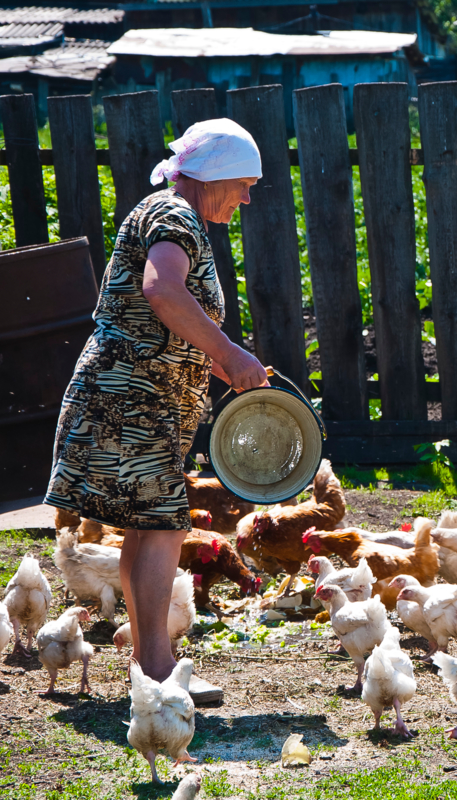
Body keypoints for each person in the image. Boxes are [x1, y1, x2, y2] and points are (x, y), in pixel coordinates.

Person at [45, 118, 269, 703]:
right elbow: (161, 291)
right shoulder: (175, 217)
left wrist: (235, 371)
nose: (246, 198)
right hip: (130, 400)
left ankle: (149, 663)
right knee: (163, 524)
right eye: (243, 184)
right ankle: (158, 669)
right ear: (213, 175)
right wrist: (228, 350)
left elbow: (174, 325)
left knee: (152, 527)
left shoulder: (174, 215)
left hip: (139, 400)